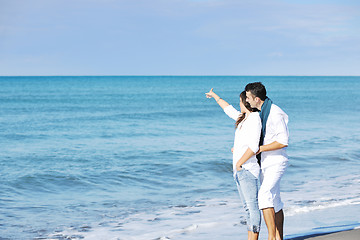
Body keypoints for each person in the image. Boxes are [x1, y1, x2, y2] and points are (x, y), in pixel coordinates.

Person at [205, 88, 262, 240]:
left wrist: (240, 163)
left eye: (241, 101)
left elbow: (254, 146)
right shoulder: (243, 118)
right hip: (240, 171)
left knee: (252, 207)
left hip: (247, 169)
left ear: (246, 102)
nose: (240, 104)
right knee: (247, 209)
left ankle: (254, 238)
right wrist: (215, 96)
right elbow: (227, 108)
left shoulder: (255, 118)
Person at [245, 82, 289, 240]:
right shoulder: (260, 111)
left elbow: (283, 141)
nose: (247, 101)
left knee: (264, 196)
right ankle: (279, 237)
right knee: (275, 200)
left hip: (276, 162)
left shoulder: (274, 113)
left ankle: (271, 237)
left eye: (248, 97)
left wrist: (260, 148)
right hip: (265, 163)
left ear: (257, 98)